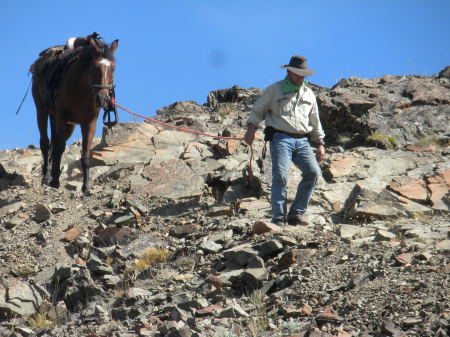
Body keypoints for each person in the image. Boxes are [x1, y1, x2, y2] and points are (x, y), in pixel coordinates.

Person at [244, 55, 325, 226]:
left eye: (303, 74)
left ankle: (296, 213)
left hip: (303, 141)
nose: (300, 77)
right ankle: (278, 217)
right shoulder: (275, 89)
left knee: (313, 173)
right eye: (297, 73)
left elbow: (315, 120)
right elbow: (258, 110)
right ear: (289, 71)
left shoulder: (309, 94)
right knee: (280, 176)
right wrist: (251, 129)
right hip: (280, 138)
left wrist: (320, 143)